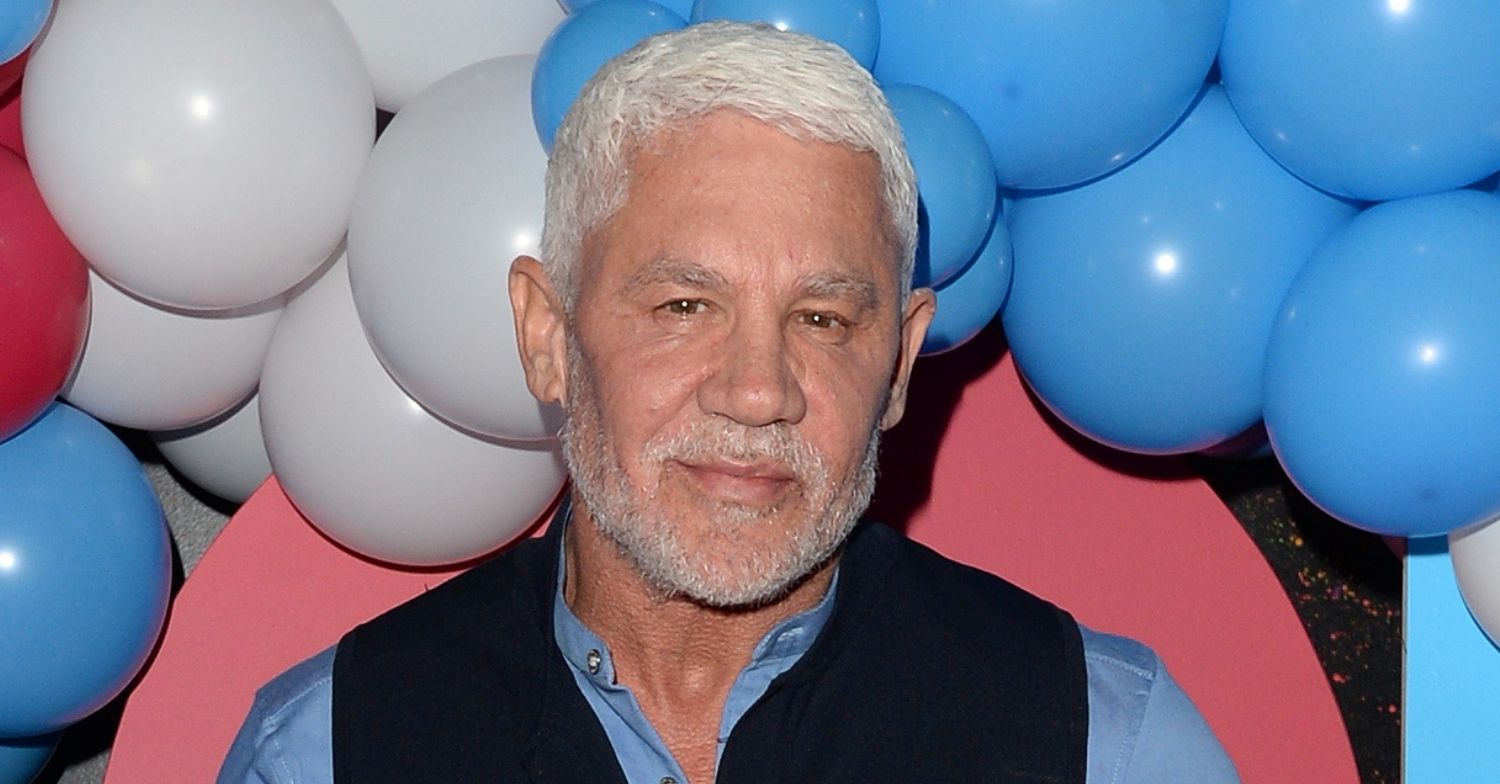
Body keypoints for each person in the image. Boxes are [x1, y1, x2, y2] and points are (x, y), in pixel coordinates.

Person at [220, 21, 1239, 784]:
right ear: (548, 337)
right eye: (684, 306)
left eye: (823, 319)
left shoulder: (1102, 745)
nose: (758, 392)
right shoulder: (328, 753)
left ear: (897, 365)